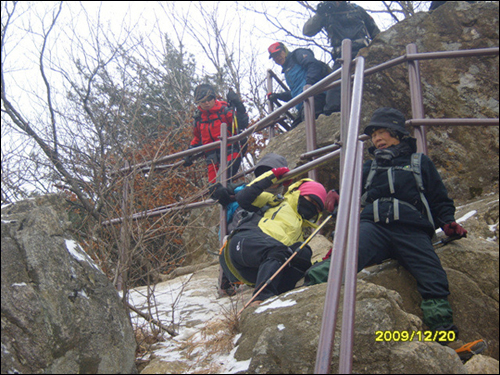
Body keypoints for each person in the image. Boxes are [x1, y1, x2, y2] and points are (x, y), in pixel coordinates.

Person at [319, 107, 485, 361]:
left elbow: (439, 198)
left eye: (382, 131)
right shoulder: (367, 167)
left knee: (433, 277)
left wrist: (448, 222)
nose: (376, 138)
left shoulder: (419, 163)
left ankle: (448, 343)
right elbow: (350, 200)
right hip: (373, 226)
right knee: (338, 262)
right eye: (373, 134)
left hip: (412, 229)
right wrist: (337, 199)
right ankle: (301, 299)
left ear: (397, 133)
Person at [220, 167, 327, 305]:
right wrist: (271, 177)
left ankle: (279, 295)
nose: (312, 207)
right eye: (311, 200)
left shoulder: (300, 234)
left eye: (317, 207)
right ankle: (261, 297)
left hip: (257, 269)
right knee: (279, 250)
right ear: (299, 193)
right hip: (243, 243)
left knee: (303, 251)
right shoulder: (276, 201)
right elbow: (244, 197)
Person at [209, 153, 289, 296]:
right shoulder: (244, 189)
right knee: (244, 213)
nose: (267, 177)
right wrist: (217, 191)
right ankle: (227, 279)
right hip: (238, 232)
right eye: (262, 173)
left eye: (270, 172)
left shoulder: (284, 198)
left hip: (262, 237)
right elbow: (222, 190)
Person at [303, 1, 380, 114]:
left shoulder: (357, 9)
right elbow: (307, 31)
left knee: (371, 88)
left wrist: (377, 51)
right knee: (333, 100)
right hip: (341, 58)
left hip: (363, 53)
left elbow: (376, 32)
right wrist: (319, 14)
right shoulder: (326, 14)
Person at [183, 84, 249, 183]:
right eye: (203, 101)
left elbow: (241, 123)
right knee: (214, 189)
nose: (207, 103)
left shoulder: (224, 110)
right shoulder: (199, 119)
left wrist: (239, 105)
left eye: (209, 99)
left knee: (222, 180)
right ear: (198, 103)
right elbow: (197, 138)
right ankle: (232, 194)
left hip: (230, 151)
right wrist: (189, 153)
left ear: (214, 98)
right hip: (212, 158)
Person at [267, 42, 331, 129]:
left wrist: (309, 85)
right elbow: (295, 93)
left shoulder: (297, 55)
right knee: (292, 133)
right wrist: (278, 96)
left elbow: (314, 65)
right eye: (274, 56)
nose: (277, 57)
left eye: (278, 53)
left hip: (315, 96)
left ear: (284, 51)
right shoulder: (287, 73)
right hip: (303, 104)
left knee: (308, 128)